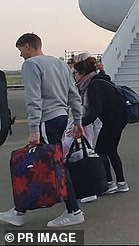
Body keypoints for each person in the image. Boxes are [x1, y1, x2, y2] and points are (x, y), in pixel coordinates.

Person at [0, 33, 85, 227]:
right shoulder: (60, 64)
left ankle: (74, 210)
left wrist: (34, 129)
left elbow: (33, 99)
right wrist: (78, 121)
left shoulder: (31, 65)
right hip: (61, 117)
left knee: (54, 166)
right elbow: (74, 95)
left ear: (29, 46)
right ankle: (20, 210)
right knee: (50, 163)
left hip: (46, 120)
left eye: (21, 50)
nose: (21, 55)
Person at [72, 53, 130, 196]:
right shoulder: (99, 80)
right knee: (111, 151)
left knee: (100, 152)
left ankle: (110, 183)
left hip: (113, 121)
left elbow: (95, 111)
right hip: (118, 119)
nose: (74, 76)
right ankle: (121, 183)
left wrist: (79, 123)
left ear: (83, 73)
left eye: (75, 73)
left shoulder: (93, 86)